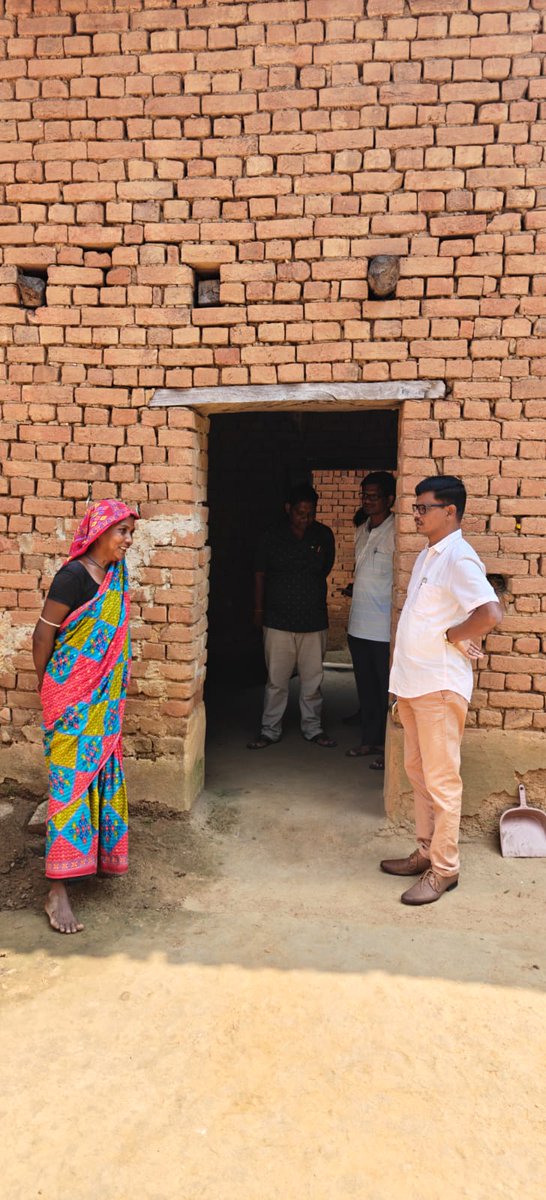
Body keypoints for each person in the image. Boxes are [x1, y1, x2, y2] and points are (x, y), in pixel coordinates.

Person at [381, 476, 503, 906]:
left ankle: (445, 869)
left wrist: (455, 633)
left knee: (442, 781)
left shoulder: (459, 558)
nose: (416, 514)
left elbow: (489, 612)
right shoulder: (429, 555)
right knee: (418, 774)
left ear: (449, 511)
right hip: (415, 685)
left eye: (423, 507)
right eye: (415, 507)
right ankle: (424, 850)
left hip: (439, 686)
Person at [32, 499, 138, 934]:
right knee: (67, 788)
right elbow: (43, 634)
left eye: (132, 534)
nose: (128, 541)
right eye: (122, 533)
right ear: (98, 533)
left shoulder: (115, 577)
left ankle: (88, 861)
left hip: (102, 702)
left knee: (96, 777)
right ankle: (56, 892)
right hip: (70, 700)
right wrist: (51, 692)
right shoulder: (73, 576)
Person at [247, 483, 336, 750]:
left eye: (310, 513)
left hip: (313, 619)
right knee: (277, 681)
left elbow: (325, 568)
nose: (305, 518)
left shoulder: (323, 535)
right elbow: (260, 574)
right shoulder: (271, 536)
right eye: (300, 512)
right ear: (288, 509)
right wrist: (259, 611)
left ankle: (313, 728)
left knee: (313, 680)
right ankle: (270, 730)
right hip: (277, 620)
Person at [345, 471, 396, 770]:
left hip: (383, 628)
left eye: (374, 496)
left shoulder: (396, 532)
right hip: (358, 625)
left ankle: (386, 746)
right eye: (365, 495)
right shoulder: (361, 529)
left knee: (385, 689)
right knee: (365, 687)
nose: (367, 500)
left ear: (390, 499)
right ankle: (368, 739)